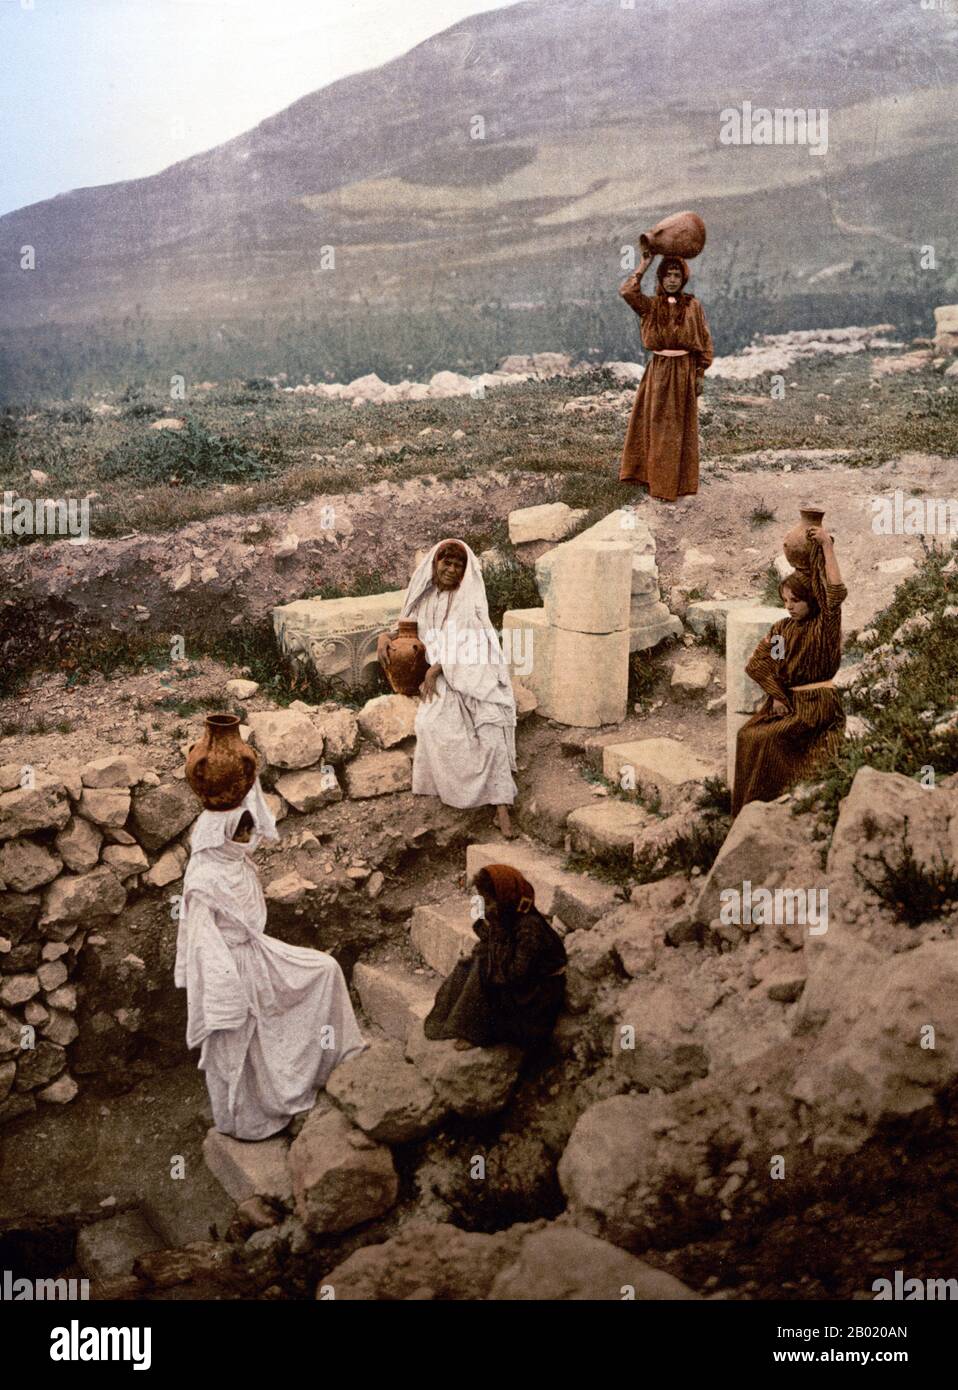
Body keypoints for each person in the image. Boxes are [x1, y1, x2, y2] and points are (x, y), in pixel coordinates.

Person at [174, 779, 365, 1140]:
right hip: (228, 968)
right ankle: (251, 1114)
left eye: (248, 831)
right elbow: (202, 942)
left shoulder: (238, 861)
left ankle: (323, 1063)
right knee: (243, 1034)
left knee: (324, 970)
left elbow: (257, 816)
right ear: (224, 835)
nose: (249, 838)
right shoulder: (203, 877)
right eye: (242, 833)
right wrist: (225, 990)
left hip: (257, 951)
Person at [377, 538, 518, 838]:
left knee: (491, 724)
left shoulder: (468, 600)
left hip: (472, 671)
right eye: (447, 563)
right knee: (430, 724)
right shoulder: (425, 599)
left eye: (458, 565)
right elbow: (406, 629)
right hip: (442, 676)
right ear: (435, 564)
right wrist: (383, 638)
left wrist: (437, 668)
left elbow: (475, 644)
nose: (452, 570)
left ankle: (501, 807)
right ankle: (442, 797)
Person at [732, 527, 847, 816]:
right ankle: (749, 813)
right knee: (747, 735)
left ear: (810, 600)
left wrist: (826, 550)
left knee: (769, 740)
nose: (789, 607)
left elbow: (834, 592)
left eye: (795, 601)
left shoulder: (824, 627)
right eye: (785, 601)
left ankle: (778, 809)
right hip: (790, 705)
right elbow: (762, 664)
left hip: (817, 708)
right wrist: (777, 694)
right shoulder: (783, 630)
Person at [423, 864, 566, 1051]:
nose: (487, 907)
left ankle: (476, 1032)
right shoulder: (510, 914)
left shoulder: (529, 927)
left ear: (504, 897)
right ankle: (451, 1021)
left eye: (489, 901)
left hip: (535, 1000)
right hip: (520, 987)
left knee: (482, 969)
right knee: (468, 964)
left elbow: (516, 975)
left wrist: (488, 963)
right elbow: (490, 943)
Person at [617, 251, 714, 501]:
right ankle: (653, 479)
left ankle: (678, 483)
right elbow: (627, 291)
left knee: (679, 428)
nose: (672, 280)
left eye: (677, 275)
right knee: (657, 425)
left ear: (683, 278)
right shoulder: (650, 306)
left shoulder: (693, 306)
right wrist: (644, 264)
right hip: (659, 370)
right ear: (660, 278)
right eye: (667, 275)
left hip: (684, 369)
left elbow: (704, 340)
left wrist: (700, 372)